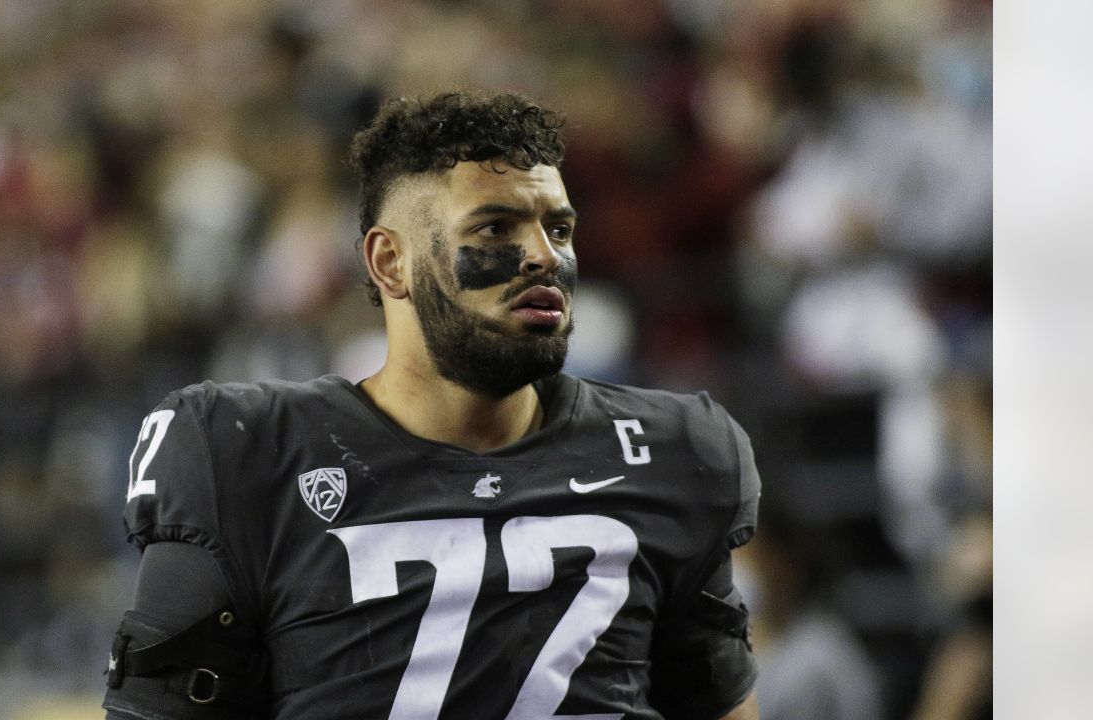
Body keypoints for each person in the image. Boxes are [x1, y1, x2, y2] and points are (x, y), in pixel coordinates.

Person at [102, 90, 762, 720]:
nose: (544, 257)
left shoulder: (669, 451)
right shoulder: (247, 450)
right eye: (497, 227)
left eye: (558, 228)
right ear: (391, 263)